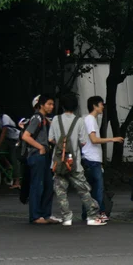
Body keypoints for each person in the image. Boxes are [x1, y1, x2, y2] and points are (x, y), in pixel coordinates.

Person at [48, 93, 107, 226]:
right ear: (75, 106)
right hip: (73, 162)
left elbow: (50, 139)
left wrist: (60, 145)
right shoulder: (79, 121)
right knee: (83, 189)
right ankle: (92, 217)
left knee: (60, 190)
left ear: (62, 106)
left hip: (58, 161)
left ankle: (67, 217)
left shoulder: (56, 120)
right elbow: (84, 142)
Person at [81, 96, 124, 222]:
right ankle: (97, 213)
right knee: (98, 188)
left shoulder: (90, 119)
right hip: (92, 159)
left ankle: (87, 214)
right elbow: (94, 140)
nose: (103, 107)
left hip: (90, 158)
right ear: (94, 106)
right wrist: (113, 139)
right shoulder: (90, 120)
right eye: (101, 104)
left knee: (88, 188)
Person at [21, 95, 56, 225]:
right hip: (37, 155)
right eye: (49, 104)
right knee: (37, 185)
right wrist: (40, 147)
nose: (51, 106)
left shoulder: (44, 119)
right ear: (41, 105)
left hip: (44, 155)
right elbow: (26, 136)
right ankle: (36, 215)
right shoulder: (37, 118)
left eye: (52, 104)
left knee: (48, 185)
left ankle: (45, 214)